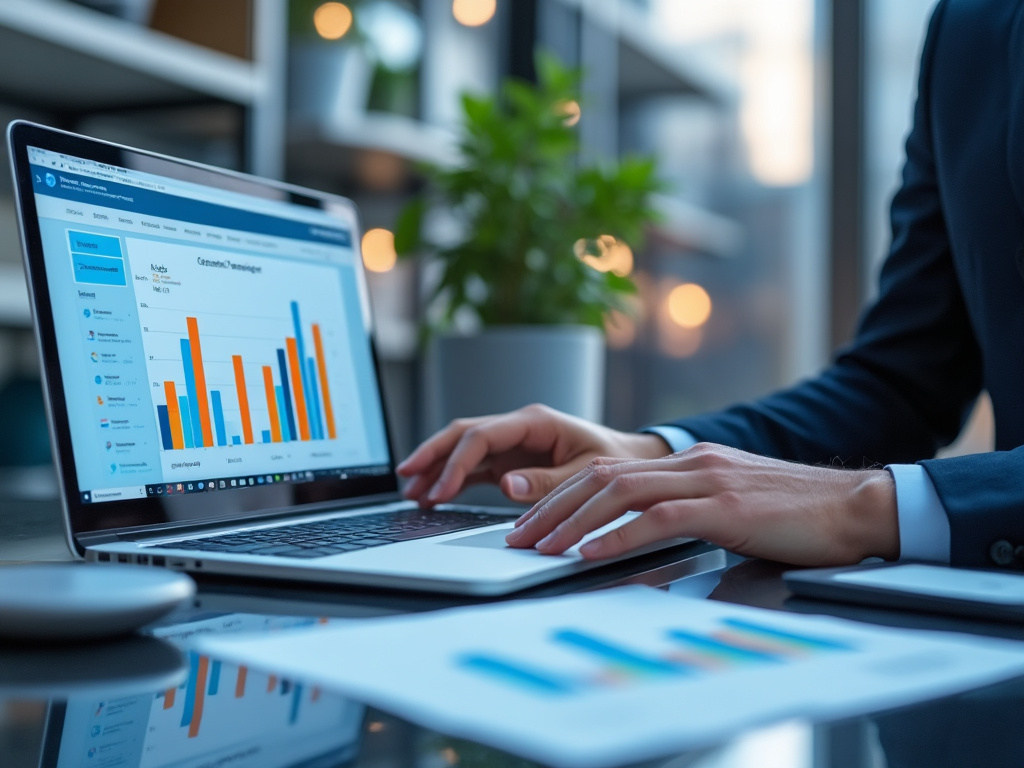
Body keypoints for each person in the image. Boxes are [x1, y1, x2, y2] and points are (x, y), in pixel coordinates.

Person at [398, 0, 1024, 571]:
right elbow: (899, 383)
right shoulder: (968, 29)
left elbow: (878, 465)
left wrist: (863, 505)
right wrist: (649, 455)